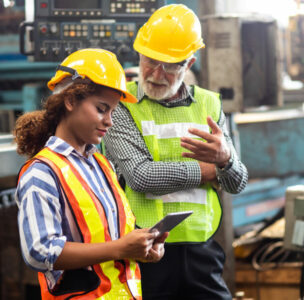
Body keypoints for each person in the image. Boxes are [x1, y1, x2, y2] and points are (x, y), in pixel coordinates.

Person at [102, 4, 248, 300]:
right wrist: (209, 171)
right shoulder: (122, 106)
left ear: (189, 63)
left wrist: (227, 161)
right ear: (139, 54)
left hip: (202, 251)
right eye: (150, 61)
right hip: (145, 250)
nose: (156, 74)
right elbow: (141, 176)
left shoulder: (209, 106)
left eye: (170, 66)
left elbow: (238, 182)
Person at [14, 48, 168, 300]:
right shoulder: (42, 172)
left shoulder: (101, 164)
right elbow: (40, 251)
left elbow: (110, 237)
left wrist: (141, 247)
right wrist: (118, 249)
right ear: (70, 100)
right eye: (101, 108)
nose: (109, 121)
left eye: (112, 112)